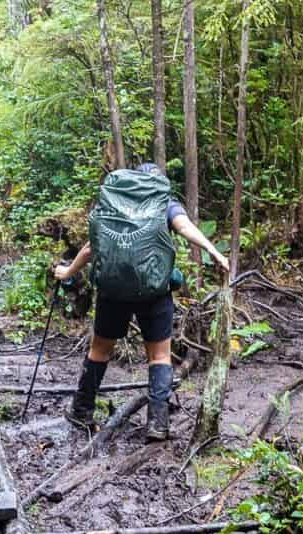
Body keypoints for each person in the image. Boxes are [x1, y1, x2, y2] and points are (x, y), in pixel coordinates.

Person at [53, 162, 230, 441]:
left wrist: (67, 272)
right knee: (159, 356)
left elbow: (91, 247)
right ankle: (157, 423)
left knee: (100, 350)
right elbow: (184, 227)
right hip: (154, 292)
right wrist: (214, 252)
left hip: (113, 292)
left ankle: (82, 409)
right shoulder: (164, 202)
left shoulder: (114, 203)